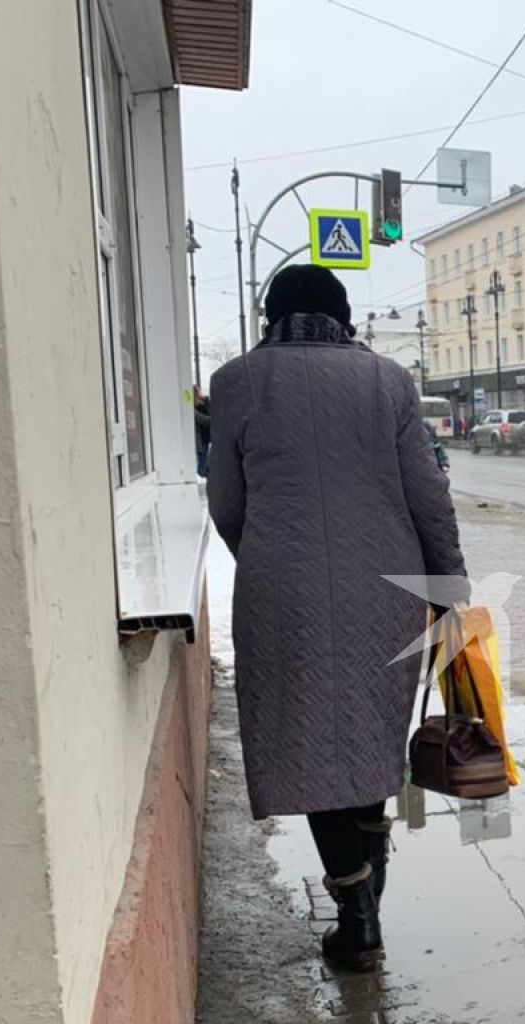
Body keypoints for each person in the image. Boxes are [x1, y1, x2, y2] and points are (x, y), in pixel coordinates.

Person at [208, 264, 468, 973]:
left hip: (280, 590)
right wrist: (448, 587)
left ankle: (357, 919)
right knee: (366, 732)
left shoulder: (236, 382)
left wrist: (264, 554)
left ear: (270, 316)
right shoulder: (388, 381)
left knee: (311, 744)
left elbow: (227, 503)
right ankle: (369, 890)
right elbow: (427, 493)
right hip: (386, 589)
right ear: (343, 316)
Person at [194, 391, 212, 478]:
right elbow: (201, 419)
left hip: (205, 437)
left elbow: (211, 411)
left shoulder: (203, 404)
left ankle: (203, 473)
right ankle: (201, 474)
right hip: (200, 438)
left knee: (204, 457)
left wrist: (205, 399)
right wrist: (215, 419)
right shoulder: (192, 408)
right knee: (202, 458)